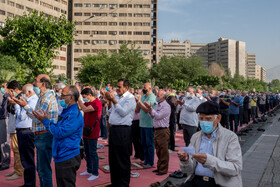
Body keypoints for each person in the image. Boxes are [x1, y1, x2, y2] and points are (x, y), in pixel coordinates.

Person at [178, 101, 242, 187]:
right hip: (196, 180)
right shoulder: (196, 137)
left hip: (219, 183)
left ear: (218, 118)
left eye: (208, 119)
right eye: (201, 118)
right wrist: (185, 160)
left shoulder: (230, 137)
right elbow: (189, 170)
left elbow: (235, 168)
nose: (204, 122)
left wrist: (209, 161)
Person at [33, 85, 83, 187]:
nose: (60, 98)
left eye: (63, 96)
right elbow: (58, 127)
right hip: (62, 155)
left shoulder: (73, 114)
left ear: (71, 98)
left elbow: (60, 133)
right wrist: (47, 120)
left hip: (68, 156)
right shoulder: (67, 111)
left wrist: (45, 121)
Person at [14, 74, 58, 187]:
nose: (34, 83)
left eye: (36, 81)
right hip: (41, 135)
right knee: (41, 169)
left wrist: (25, 106)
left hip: (44, 135)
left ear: (43, 83)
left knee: (43, 170)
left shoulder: (46, 97)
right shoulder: (43, 96)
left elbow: (38, 118)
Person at [106, 79, 136, 187]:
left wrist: (114, 101)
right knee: (113, 159)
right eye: (117, 87)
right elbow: (110, 112)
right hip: (114, 130)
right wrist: (110, 101)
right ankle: (115, 183)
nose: (117, 89)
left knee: (122, 159)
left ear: (126, 88)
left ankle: (123, 184)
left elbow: (123, 112)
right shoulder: (117, 97)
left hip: (123, 131)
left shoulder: (130, 98)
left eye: (119, 87)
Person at [12, 84, 38, 186]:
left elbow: (21, 116)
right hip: (23, 131)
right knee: (25, 159)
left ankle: (30, 184)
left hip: (27, 131)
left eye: (23, 92)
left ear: (29, 92)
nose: (22, 95)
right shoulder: (29, 100)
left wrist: (17, 105)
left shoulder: (32, 101)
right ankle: (28, 183)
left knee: (28, 160)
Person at [78, 88, 102, 181]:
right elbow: (80, 107)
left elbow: (84, 109)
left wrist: (79, 100)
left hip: (93, 131)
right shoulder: (88, 102)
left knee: (93, 153)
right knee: (87, 152)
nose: (84, 99)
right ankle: (89, 169)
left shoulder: (97, 103)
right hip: (86, 131)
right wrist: (77, 100)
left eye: (85, 97)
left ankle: (95, 173)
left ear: (90, 95)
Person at [145, 90, 171, 176]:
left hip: (163, 130)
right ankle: (159, 167)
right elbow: (152, 115)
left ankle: (163, 169)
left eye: (158, 95)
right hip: (157, 130)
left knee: (163, 151)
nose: (157, 96)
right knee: (159, 150)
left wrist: (151, 109)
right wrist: (149, 109)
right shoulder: (158, 105)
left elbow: (158, 116)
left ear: (163, 97)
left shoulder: (166, 106)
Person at [136, 82, 157, 168]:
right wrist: (138, 103)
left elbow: (146, 109)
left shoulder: (152, 97)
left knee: (149, 144)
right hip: (142, 124)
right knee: (143, 143)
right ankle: (146, 160)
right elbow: (137, 110)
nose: (143, 89)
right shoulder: (144, 97)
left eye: (144, 87)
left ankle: (150, 162)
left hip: (149, 124)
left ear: (150, 88)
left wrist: (139, 102)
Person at [6, 80, 24, 180]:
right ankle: (17, 168)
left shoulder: (21, 97)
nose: (9, 92)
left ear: (15, 89)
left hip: (18, 127)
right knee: (15, 150)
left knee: (17, 150)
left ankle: (19, 171)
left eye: (11, 90)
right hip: (14, 127)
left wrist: (13, 100)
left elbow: (15, 111)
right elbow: (9, 109)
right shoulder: (16, 97)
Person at [0, 82, 11, 171]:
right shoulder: (4, 95)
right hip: (2, 118)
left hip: (4, 118)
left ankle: (5, 162)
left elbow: (4, 109)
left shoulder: (6, 95)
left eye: (5, 86)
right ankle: (2, 160)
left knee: (4, 141)